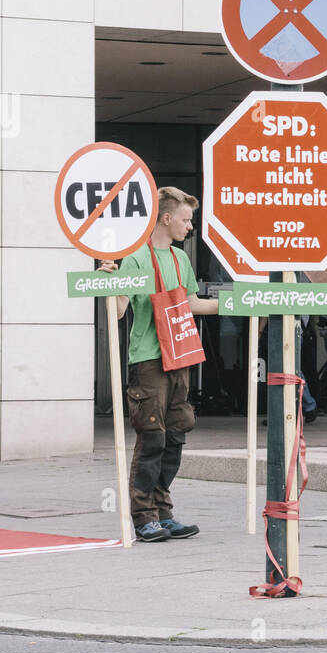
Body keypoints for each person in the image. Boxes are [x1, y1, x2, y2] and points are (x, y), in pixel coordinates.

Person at [100, 187, 218, 542]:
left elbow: (193, 304)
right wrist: (110, 279)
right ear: (167, 218)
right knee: (152, 436)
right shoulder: (135, 257)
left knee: (177, 433)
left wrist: (238, 304)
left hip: (179, 356)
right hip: (149, 359)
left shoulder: (181, 259)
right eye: (185, 219)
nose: (190, 226)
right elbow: (120, 309)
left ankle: (163, 511)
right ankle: (143, 515)